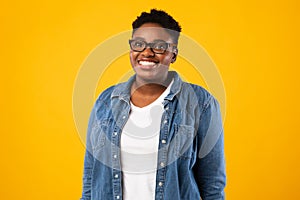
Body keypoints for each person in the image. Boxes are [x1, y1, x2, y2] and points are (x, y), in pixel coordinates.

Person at [80, 9, 226, 200]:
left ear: (173, 54)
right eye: (139, 44)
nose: (147, 53)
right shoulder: (106, 102)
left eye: (159, 46)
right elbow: (90, 181)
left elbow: (212, 185)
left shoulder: (201, 103)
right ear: (131, 49)